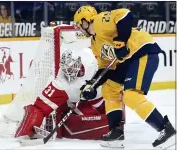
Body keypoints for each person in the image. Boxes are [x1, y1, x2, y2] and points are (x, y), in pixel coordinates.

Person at [73, 5, 176, 148]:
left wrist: (120, 41)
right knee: (109, 89)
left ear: (85, 21)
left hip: (141, 51)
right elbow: (106, 68)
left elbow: (125, 15)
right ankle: (116, 132)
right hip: (128, 60)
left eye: (79, 24)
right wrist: (92, 84)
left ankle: (166, 129)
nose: (79, 28)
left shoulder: (99, 21)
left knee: (130, 96)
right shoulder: (95, 42)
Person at [14, 47, 125, 140]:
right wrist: (26, 129)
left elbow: (110, 56)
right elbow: (39, 107)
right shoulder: (61, 82)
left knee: (116, 101)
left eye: (71, 68)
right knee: (99, 124)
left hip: (106, 96)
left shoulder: (89, 55)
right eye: (66, 69)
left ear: (78, 62)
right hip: (85, 104)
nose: (68, 71)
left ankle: (119, 124)